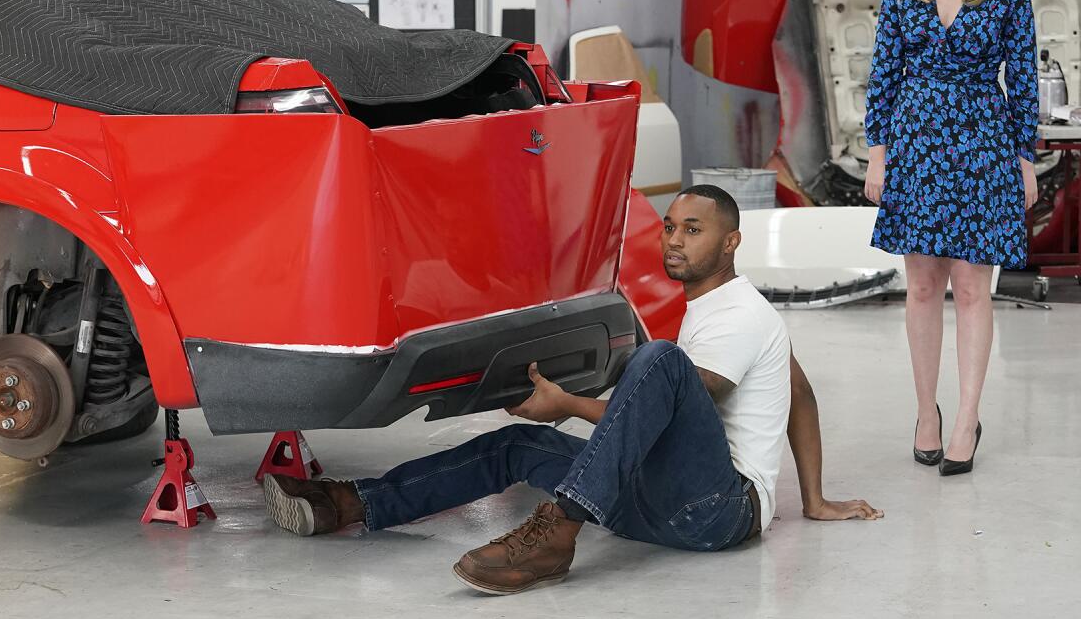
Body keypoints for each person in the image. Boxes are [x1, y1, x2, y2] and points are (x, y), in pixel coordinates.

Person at [262, 185, 882, 595]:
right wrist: (816, 498)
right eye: (669, 227)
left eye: (692, 230)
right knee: (515, 446)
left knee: (657, 360)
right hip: (658, 500)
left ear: (731, 242)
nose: (673, 240)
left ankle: (557, 529)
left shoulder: (743, 314)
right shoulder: (720, 310)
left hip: (718, 513)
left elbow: (666, 404)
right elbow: (799, 394)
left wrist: (567, 404)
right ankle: (346, 505)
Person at [863, 0, 1039, 476]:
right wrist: (878, 156)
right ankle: (925, 414)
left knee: (971, 286)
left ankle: (966, 416)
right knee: (920, 286)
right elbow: (882, 77)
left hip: (984, 146)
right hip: (916, 146)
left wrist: (1024, 161)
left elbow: (1023, 82)